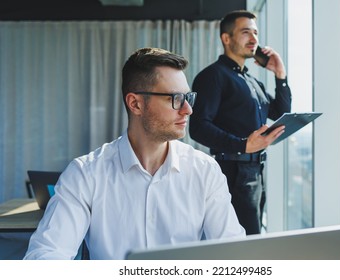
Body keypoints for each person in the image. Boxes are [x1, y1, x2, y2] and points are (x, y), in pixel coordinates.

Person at [24, 47, 245, 260]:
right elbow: (46, 255)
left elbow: (235, 255)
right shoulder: (85, 174)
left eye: (188, 97)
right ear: (135, 104)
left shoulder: (205, 171)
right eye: (175, 99)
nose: (188, 109)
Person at [189, 10, 291, 235]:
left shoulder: (253, 81)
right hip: (232, 171)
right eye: (246, 32)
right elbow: (198, 127)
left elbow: (282, 111)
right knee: (244, 245)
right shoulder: (212, 76)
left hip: (256, 170)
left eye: (255, 33)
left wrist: (280, 74)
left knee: (253, 237)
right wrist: (243, 145)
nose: (254, 39)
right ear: (226, 38)